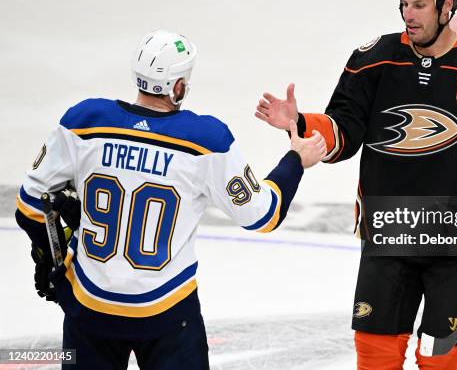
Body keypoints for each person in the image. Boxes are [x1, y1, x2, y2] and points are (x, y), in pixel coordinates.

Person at [255, 0, 457, 369]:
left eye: (420, 5)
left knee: (444, 361)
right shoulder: (373, 60)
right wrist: (302, 123)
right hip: (388, 233)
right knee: (375, 357)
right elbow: (344, 131)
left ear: (448, 7)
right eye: (404, 3)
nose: (408, 14)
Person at [15, 29, 326, 369]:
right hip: (167, 311)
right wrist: (296, 160)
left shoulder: (84, 122)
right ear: (178, 86)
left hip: (90, 307)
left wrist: (49, 255)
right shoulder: (206, 140)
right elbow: (263, 215)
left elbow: (31, 205)